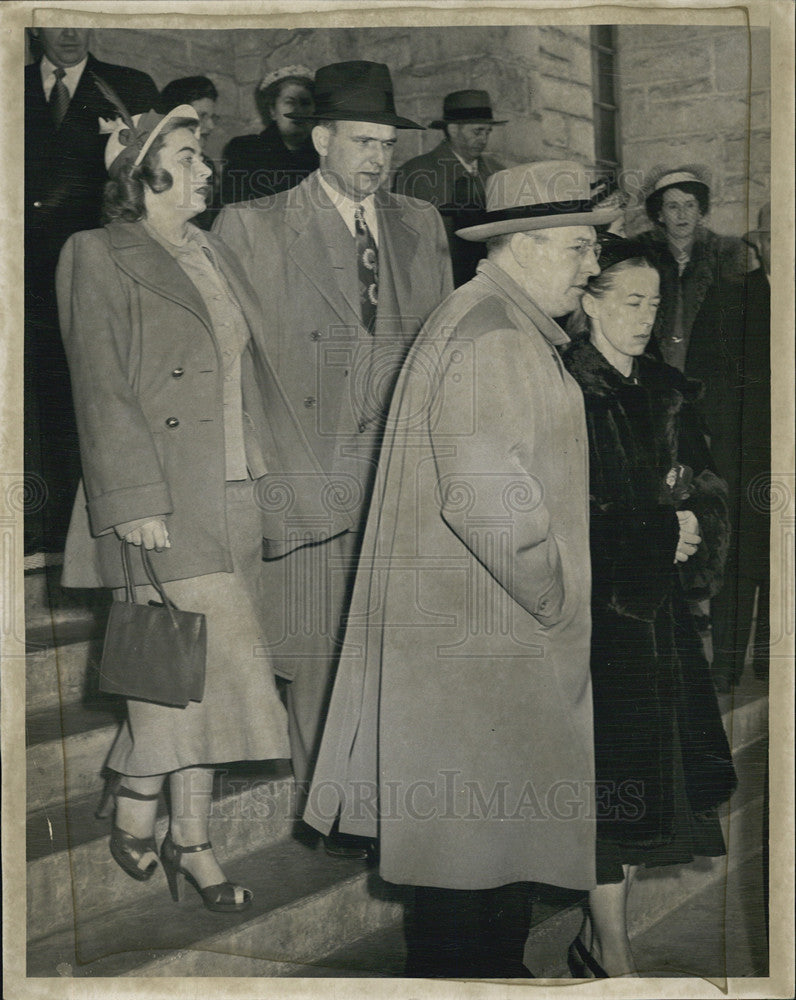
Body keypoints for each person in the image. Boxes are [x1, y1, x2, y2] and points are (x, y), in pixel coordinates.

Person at [303, 161, 621, 977]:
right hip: (485, 654)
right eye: (583, 247)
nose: (595, 267)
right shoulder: (497, 338)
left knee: (476, 870)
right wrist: (558, 598)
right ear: (524, 245)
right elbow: (488, 503)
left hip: (472, 653)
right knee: (467, 893)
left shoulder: (487, 319)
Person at [56, 104, 341, 912]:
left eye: (203, 154)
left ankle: (174, 824)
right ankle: (162, 813)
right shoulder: (96, 253)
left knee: (187, 675)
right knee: (215, 670)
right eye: (185, 155)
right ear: (140, 172)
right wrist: (134, 501)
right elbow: (99, 386)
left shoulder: (210, 250)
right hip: (163, 498)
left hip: (239, 491)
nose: (204, 167)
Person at [214, 60, 453, 859]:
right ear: (320, 139)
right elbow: (231, 363)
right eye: (361, 141)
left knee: (393, 647)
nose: (377, 158)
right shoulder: (252, 227)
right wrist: (257, 472)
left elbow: (441, 356)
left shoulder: (421, 222)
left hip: (400, 474)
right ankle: (335, 816)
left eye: (386, 143)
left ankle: (385, 803)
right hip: (308, 472)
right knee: (316, 653)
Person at [561, 241, 737, 977]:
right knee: (609, 792)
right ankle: (615, 956)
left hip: (660, 621)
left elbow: (709, 482)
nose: (645, 317)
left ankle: (598, 944)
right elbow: (565, 514)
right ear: (590, 302)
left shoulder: (669, 387)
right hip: (598, 626)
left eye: (655, 304)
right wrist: (660, 532)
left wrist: (696, 517)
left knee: (649, 795)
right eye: (629, 302)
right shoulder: (569, 385)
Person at [25, 27, 159, 553]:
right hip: (21, 276)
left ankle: (88, 531)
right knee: (34, 399)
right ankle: (41, 530)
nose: (70, 32)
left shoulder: (127, 87)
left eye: (78, 15)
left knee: (95, 391)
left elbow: (150, 176)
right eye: (55, 19)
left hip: (96, 264)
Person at [706, 202, 771, 690]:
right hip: (744, 450)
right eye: (772, 239)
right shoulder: (731, 300)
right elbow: (704, 379)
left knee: (783, 560)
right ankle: (726, 665)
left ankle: (774, 663)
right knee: (736, 557)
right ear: (759, 246)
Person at [635, 164, 748, 373]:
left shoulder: (724, 254)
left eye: (689, 205)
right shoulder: (640, 254)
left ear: (700, 211)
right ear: (660, 215)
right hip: (654, 369)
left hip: (712, 369)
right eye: (672, 207)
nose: (682, 215)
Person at [393, 89, 506, 287]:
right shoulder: (417, 173)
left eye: (487, 132)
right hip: (437, 286)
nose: (484, 139)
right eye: (477, 131)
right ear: (453, 130)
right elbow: (406, 247)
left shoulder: (498, 173)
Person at [220, 65, 318, 204]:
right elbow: (234, 210)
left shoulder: (325, 155)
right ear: (272, 111)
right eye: (289, 102)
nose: (298, 111)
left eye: (305, 103)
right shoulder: (246, 151)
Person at [159, 75, 221, 229]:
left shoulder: (207, 166)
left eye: (213, 117)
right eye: (202, 116)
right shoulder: (156, 162)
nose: (211, 126)